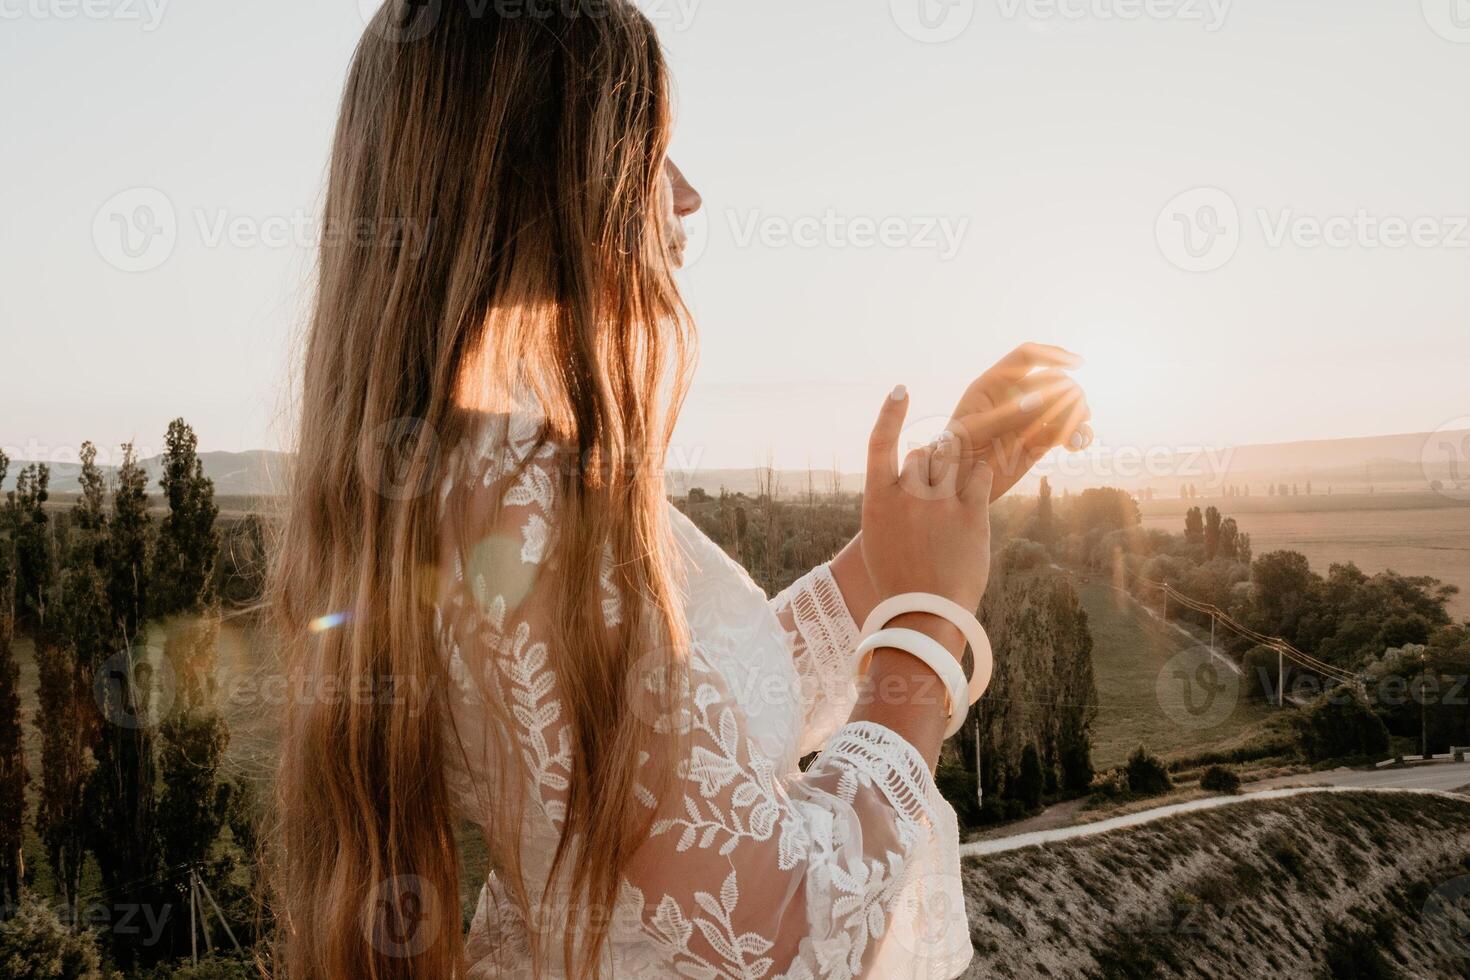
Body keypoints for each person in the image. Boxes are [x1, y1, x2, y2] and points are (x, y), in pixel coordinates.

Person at [270, 2, 1091, 977]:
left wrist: (906, 535)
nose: (688, 193)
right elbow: (790, 929)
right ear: (542, 176)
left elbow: (699, 730)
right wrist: (923, 629)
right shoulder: (531, 504)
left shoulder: (462, 475)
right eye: (650, 149)